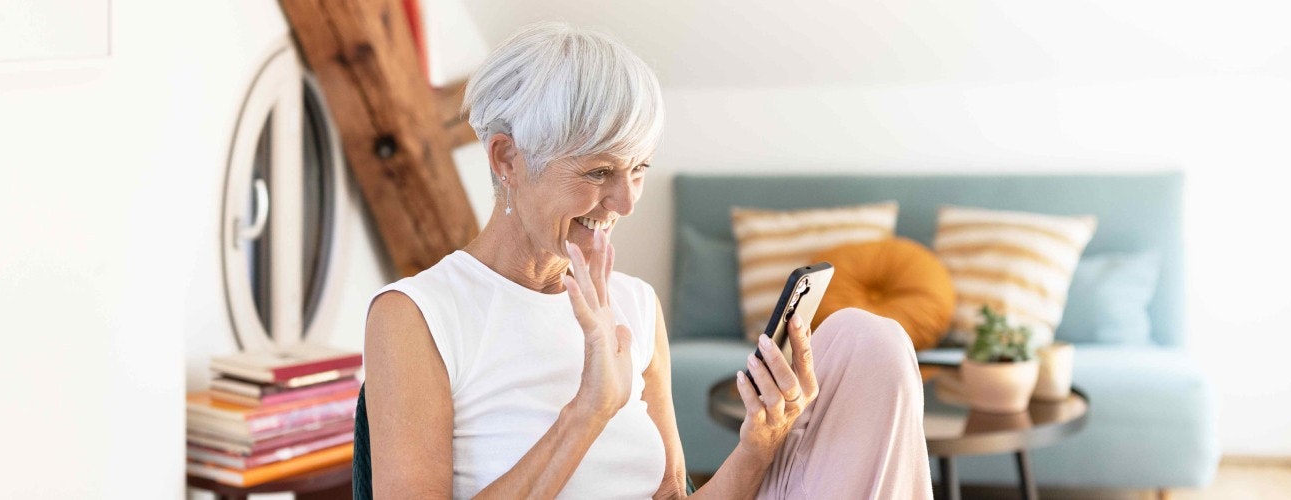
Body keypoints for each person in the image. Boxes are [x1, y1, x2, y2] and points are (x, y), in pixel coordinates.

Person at [363, 22, 933, 499]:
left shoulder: (635, 304)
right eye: (598, 172)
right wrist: (588, 411)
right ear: (507, 157)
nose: (627, 201)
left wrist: (759, 446)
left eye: (638, 168)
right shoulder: (417, 318)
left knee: (868, 343)